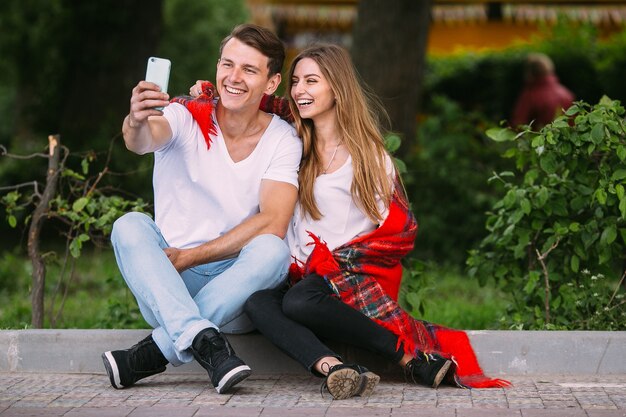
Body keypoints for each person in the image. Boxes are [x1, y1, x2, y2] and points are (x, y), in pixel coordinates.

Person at [191, 44, 509, 400]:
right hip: (297, 273)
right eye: (295, 81)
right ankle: (334, 368)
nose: (299, 90)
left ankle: (410, 359)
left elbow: (390, 231)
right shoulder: (292, 138)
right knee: (257, 303)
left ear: (337, 89)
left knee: (299, 302)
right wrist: (210, 91)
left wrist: (346, 262)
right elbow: (255, 102)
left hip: (344, 276)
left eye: (312, 81)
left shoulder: (368, 157)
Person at [101, 24, 302, 395]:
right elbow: (143, 140)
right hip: (168, 284)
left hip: (237, 288)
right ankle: (206, 342)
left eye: (249, 70)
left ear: (271, 83)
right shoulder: (185, 115)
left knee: (273, 249)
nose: (233, 77)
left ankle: (154, 351)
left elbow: (273, 220)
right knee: (128, 225)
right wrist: (136, 120)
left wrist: (191, 257)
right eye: (228, 64)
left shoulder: (282, 139)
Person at [511, 52, 575, 128]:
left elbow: (518, 124)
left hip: (536, 138)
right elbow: (572, 124)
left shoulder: (530, 95)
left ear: (530, 73)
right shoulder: (567, 94)